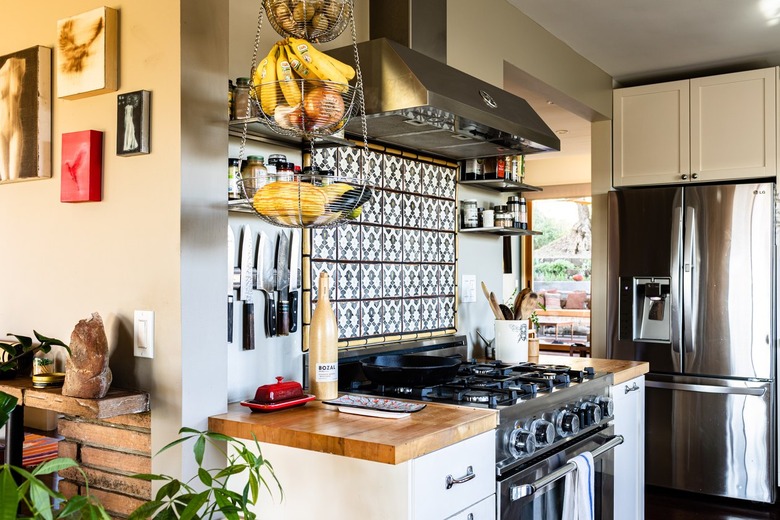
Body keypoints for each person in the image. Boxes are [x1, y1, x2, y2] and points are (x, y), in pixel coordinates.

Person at [0, 57, 25, 181]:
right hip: (1, 129)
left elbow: (15, 89)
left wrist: (12, 67)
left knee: (14, 177)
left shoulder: (17, 68)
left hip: (15, 127)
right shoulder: (2, 74)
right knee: (5, 178)